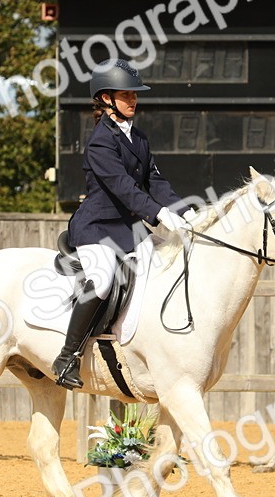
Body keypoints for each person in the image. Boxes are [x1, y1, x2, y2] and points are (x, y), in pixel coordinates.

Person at [51, 58, 194, 389]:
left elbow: (155, 182)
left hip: (132, 230)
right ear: (105, 98)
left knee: (171, 262)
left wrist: (184, 212)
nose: (133, 100)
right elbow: (124, 189)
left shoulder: (139, 138)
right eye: (126, 94)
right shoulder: (101, 141)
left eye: (134, 94)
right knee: (101, 280)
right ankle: (67, 356)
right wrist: (159, 215)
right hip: (99, 228)